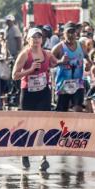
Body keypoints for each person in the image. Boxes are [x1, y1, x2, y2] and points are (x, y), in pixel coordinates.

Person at [12, 27, 59, 170]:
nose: (37, 39)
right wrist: (30, 70)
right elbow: (14, 75)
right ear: (28, 39)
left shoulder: (47, 53)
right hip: (28, 93)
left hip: (43, 92)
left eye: (39, 37)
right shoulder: (25, 55)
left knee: (43, 124)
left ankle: (43, 157)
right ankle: (24, 153)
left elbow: (56, 62)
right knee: (27, 124)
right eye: (34, 37)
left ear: (42, 39)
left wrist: (55, 62)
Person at [52, 22, 87, 112]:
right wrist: (60, 61)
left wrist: (89, 64)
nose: (71, 35)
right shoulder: (58, 48)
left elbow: (88, 59)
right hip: (63, 85)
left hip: (78, 84)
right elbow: (50, 64)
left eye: (73, 32)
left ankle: (76, 126)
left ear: (76, 33)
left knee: (78, 109)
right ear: (64, 33)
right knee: (62, 112)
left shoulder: (82, 46)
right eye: (68, 32)